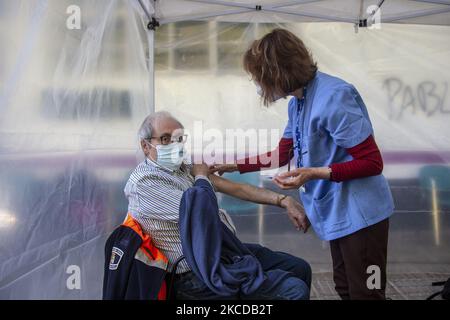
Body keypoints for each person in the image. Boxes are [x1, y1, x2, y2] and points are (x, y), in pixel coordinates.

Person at [211, 28, 394, 300]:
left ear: (277, 72)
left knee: (367, 292)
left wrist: (313, 173)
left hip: (363, 216)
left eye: (258, 77)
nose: (258, 85)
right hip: (340, 214)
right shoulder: (297, 102)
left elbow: (372, 162)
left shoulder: (334, 97)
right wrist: (231, 165)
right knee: (345, 287)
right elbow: (281, 155)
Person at [124, 111, 311, 300]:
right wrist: (201, 176)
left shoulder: (181, 169)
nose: (175, 145)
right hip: (193, 274)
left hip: (221, 253)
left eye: (179, 138)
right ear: (145, 146)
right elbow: (201, 214)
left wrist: (283, 200)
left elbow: (238, 189)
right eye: (165, 139)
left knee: (299, 268)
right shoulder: (145, 183)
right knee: (294, 291)